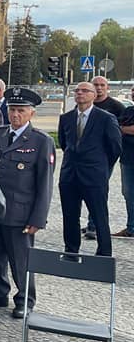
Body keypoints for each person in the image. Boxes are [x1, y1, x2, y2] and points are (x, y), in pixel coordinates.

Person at [0, 88, 54, 319]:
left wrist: (38, 219)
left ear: (31, 113)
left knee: (20, 260)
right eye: (12, 109)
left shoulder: (40, 141)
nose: (15, 115)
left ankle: (25, 299)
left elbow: (45, 183)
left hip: (20, 211)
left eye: (21, 110)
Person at [57, 81, 122, 257]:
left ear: (94, 95)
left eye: (85, 90)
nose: (80, 93)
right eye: (77, 90)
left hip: (94, 176)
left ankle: (103, 254)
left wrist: (100, 165)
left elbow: (115, 147)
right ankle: (71, 251)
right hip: (70, 175)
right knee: (70, 216)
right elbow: (64, 143)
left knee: (99, 216)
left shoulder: (105, 118)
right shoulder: (66, 118)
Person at [114, 90, 134, 239]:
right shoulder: (128, 111)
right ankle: (131, 227)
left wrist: (123, 129)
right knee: (129, 194)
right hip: (127, 158)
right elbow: (115, 127)